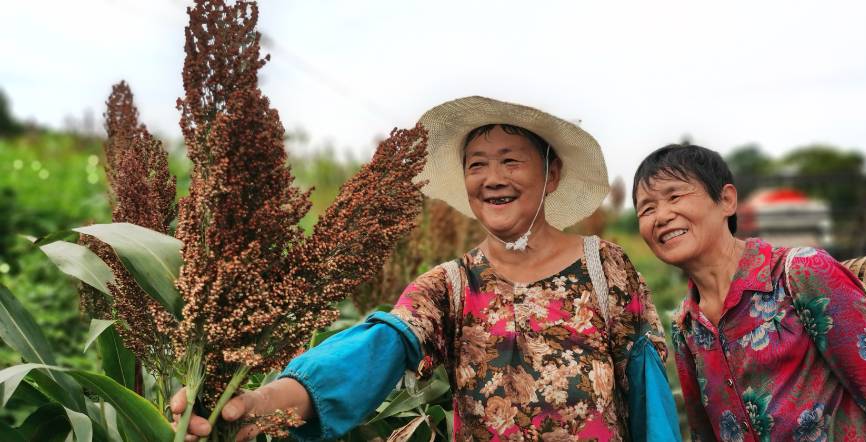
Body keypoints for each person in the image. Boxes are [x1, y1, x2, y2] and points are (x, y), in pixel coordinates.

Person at [172, 96, 681, 441]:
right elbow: (371, 353)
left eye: (511, 161)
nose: (491, 177)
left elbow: (648, 390)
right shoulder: (449, 286)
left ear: (552, 175)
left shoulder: (603, 266)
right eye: (476, 163)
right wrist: (263, 401)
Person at [632, 144, 866, 441]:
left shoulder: (801, 273)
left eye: (674, 196)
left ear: (726, 200)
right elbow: (705, 434)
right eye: (646, 209)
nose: (661, 216)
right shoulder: (686, 324)